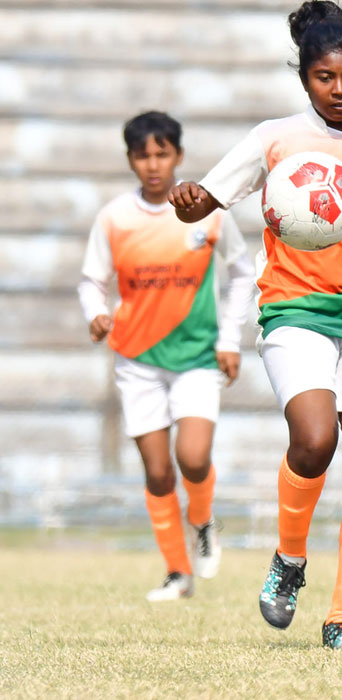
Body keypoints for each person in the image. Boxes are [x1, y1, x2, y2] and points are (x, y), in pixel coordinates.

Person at [168, 0, 342, 649]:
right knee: (314, 440)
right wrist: (188, 200)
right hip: (294, 312)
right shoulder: (275, 139)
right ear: (304, 77)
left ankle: (341, 621)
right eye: (325, 77)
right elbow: (200, 205)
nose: (339, 89)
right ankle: (289, 561)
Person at [77, 111, 254, 602]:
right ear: (131, 159)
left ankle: (202, 520)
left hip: (197, 356)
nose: (152, 164)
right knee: (157, 472)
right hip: (137, 360)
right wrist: (96, 312)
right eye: (142, 155)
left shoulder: (208, 212)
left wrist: (229, 339)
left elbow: (242, 272)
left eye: (162, 153)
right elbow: (92, 280)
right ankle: (178, 573)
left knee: (192, 458)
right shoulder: (115, 217)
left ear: (178, 155)